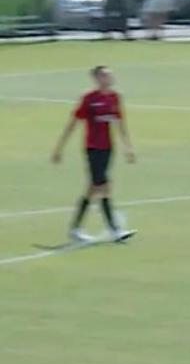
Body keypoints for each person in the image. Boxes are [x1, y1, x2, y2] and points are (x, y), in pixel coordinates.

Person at [51, 66, 137, 243]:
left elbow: (120, 123)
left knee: (93, 188)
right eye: (105, 75)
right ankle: (115, 229)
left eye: (109, 75)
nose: (109, 77)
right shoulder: (89, 99)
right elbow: (73, 123)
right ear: (96, 78)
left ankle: (75, 229)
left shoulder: (114, 97)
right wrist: (60, 148)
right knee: (104, 186)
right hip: (92, 148)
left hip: (108, 148)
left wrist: (127, 147)